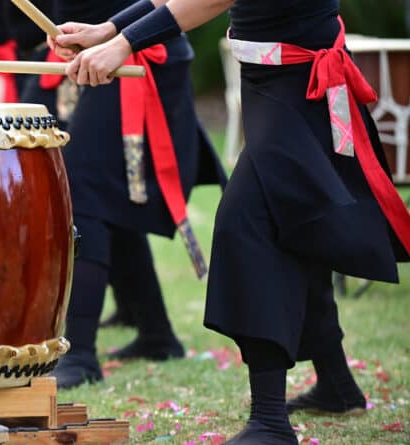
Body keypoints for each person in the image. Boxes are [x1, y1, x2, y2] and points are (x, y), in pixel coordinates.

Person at [50, 1, 410, 443]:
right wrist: (109, 28)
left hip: (301, 85)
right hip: (272, 85)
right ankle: (336, 384)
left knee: (249, 229)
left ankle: (270, 421)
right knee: (296, 230)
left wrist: (126, 43)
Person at [27, 0, 227, 390]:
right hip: (103, 48)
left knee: (82, 190)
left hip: (138, 55)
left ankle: (80, 353)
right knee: (103, 193)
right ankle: (157, 334)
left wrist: (115, 34)